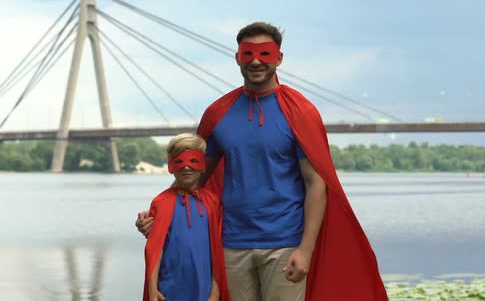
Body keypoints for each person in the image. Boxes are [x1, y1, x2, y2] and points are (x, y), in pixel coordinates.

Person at [137, 22, 388, 301]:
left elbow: (316, 184)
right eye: (248, 54)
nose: (256, 61)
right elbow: (191, 178)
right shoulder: (218, 113)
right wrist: (160, 218)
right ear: (237, 58)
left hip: (285, 244)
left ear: (279, 58)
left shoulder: (300, 112)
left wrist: (305, 249)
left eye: (265, 54)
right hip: (229, 243)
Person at [143, 133, 230, 301]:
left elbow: (218, 250)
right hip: (169, 288)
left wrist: (216, 292)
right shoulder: (161, 202)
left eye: (193, 160)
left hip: (204, 289)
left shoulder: (213, 203)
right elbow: (154, 250)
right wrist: (152, 289)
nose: (186, 167)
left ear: (203, 165)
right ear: (171, 166)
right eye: (179, 161)